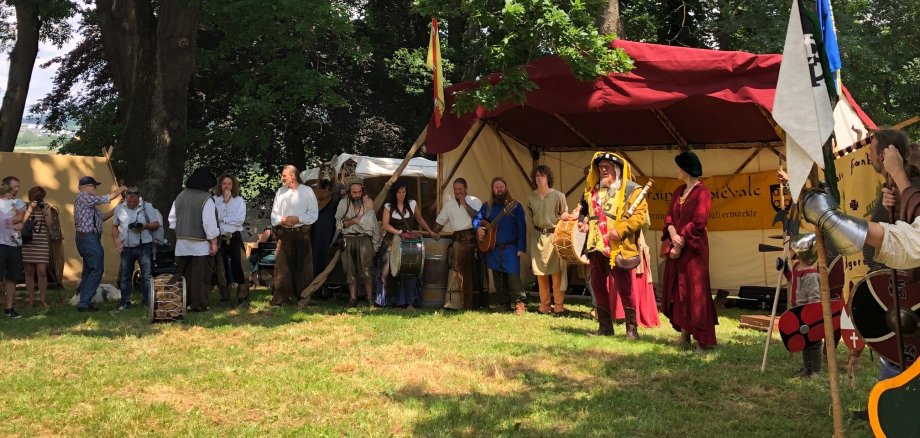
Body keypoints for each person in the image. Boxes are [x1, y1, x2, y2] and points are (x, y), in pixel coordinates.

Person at [562, 152, 648, 338]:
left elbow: (640, 216)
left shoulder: (631, 190)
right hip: (596, 246)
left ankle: (632, 330)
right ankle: (605, 329)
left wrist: (621, 229)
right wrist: (582, 221)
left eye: (607, 167)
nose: (603, 171)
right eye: (600, 168)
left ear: (616, 170)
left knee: (625, 288)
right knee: (597, 286)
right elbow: (584, 209)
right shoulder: (591, 191)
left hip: (618, 247)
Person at [660, 150, 716, 350]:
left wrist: (679, 242)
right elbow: (668, 218)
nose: (676, 170)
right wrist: (673, 235)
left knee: (695, 291)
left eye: (678, 166)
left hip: (694, 250)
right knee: (679, 290)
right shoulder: (678, 192)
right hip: (679, 245)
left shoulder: (703, 192)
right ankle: (685, 335)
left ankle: (703, 339)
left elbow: (699, 222)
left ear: (686, 168)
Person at [380, 180, 439, 309]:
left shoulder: (412, 204)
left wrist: (430, 231)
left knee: (410, 271)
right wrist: (398, 232)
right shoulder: (388, 207)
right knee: (391, 272)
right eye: (399, 192)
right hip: (392, 241)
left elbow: (419, 219)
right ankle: (395, 302)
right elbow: (385, 225)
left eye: (404, 192)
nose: (401, 195)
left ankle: (410, 302)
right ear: (394, 193)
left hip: (408, 243)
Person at [168, 167, 219, 312]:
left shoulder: (180, 196)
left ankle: (181, 303)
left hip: (182, 243)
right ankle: (198, 305)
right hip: (200, 244)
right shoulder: (206, 199)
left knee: (183, 275)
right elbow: (209, 223)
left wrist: (183, 229)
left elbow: (172, 220)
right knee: (199, 276)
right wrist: (214, 242)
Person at [74, 176, 126, 312]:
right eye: (93, 186)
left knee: (88, 271)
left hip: (88, 238)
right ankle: (85, 302)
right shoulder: (83, 197)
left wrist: (119, 205)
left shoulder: (88, 204)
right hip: (88, 238)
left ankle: (84, 301)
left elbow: (102, 217)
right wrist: (122, 189)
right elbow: (107, 198)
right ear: (86, 187)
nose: (95, 189)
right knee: (97, 270)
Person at [269, 165, 318, 306]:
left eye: (284, 175)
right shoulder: (280, 192)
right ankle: (280, 299)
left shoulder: (307, 191)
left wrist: (299, 219)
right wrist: (281, 220)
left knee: (303, 267)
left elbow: (313, 214)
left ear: (293, 176)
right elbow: (274, 214)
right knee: (281, 267)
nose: (282, 178)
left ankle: (303, 298)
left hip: (301, 234)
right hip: (283, 234)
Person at [476, 177, 526, 314]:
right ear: (493, 190)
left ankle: (519, 303)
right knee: (498, 277)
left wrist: (521, 247)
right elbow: (477, 220)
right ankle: (504, 303)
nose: (499, 189)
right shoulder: (487, 207)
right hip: (493, 248)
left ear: (506, 187)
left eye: (501, 186)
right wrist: (478, 229)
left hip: (511, 247)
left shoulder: (515, 206)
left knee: (513, 276)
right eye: (496, 187)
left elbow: (522, 227)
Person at [433, 177, 484, 309]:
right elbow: (439, 223)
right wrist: (434, 232)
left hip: (472, 240)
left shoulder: (475, 201)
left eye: (460, 189)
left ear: (466, 189)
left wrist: (464, 204)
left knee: (472, 273)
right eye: (455, 189)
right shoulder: (449, 204)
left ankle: (473, 305)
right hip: (457, 241)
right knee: (455, 272)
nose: (457, 191)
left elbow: (479, 218)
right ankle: (454, 304)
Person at [525, 165, 569, 315]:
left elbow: (565, 215)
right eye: (537, 176)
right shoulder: (530, 197)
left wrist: (563, 217)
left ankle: (558, 305)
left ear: (548, 178)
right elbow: (531, 216)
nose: (539, 178)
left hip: (554, 236)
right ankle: (544, 305)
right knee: (540, 272)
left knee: (556, 272)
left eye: (542, 176)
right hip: (537, 236)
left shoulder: (559, 196)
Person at [112, 187, 160, 310]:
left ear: (138, 198)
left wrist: (144, 226)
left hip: (144, 245)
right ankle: (124, 302)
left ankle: (147, 302)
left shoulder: (147, 206)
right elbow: (115, 226)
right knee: (125, 276)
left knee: (147, 275)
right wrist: (116, 241)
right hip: (126, 247)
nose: (132, 204)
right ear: (126, 199)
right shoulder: (119, 208)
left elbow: (156, 224)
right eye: (129, 202)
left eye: (134, 202)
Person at [335, 180, 380, 307]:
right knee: (350, 269)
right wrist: (352, 222)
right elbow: (338, 224)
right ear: (349, 192)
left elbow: (374, 226)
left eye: (359, 192)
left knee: (367, 269)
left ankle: (370, 298)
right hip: (348, 239)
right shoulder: (343, 203)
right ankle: (353, 298)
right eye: (354, 192)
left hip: (364, 239)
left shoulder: (367, 204)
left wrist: (375, 245)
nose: (357, 195)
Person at [786, 233, 822, 378]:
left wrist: (813, 315)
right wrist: (785, 270)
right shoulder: (796, 267)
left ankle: (815, 371)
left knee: (814, 342)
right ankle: (807, 369)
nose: (792, 251)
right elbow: (792, 281)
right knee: (804, 341)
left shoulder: (811, 274)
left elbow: (814, 297)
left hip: (809, 313)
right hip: (798, 312)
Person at [212, 174, 250, 309]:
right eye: (224, 183)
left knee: (241, 265)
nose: (227, 186)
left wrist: (225, 219)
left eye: (229, 183)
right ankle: (225, 298)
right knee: (221, 268)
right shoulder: (214, 200)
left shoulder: (239, 200)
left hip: (234, 236)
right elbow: (216, 218)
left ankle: (243, 298)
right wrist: (225, 202)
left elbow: (239, 219)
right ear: (220, 185)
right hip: (219, 237)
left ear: (233, 185)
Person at [21, 186, 54, 309]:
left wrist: (45, 211)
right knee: (29, 271)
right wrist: (30, 209)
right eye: (35, 198)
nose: (38, 200)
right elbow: (22, 223)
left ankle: (42, 299)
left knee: (42, 271)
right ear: (30, 197)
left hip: (41, 243)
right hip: (28, 242)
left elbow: (50, 226)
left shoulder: (46, 207)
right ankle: (30, 298)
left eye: (39, 198)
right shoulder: (24, 207)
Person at [0, 184, 25, 318]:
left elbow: (21, 221)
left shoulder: (17, 203)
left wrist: (6, 223)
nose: (14, 193)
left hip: (14, 244)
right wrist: (13, 223)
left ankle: (9, 308)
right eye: (11, 191)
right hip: (1, 243)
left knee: (12, 276)